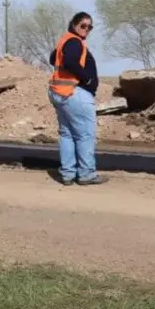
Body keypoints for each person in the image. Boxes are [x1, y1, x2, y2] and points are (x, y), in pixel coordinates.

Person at [47, 11, 106, 186]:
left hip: (60, 92)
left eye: (90, 26)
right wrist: (87, 79)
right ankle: (86, 173)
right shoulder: (74, 42)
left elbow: (53, 58)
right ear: (74, 24)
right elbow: (71, 62)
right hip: (74, 93)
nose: (86, 29)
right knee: (85, 135)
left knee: (67, 134)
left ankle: (67, 174)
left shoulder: (64, 41)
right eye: (83, 25)